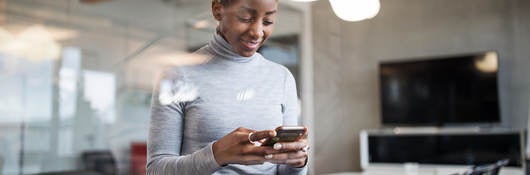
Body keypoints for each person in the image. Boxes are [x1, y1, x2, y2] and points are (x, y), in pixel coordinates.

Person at [147, 0, 309, 174]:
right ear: (217, 10)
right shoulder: (178, 75)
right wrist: (217, 154)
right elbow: (156, 170)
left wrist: (297, 163)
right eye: (245, 18)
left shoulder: (282, 77)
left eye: (267, 22)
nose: (257, 32)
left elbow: (284, 170)